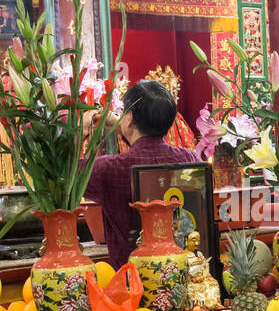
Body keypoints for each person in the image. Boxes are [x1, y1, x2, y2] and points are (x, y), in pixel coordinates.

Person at [83, 78, 198, 269]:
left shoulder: (109, 169)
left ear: (128, 118)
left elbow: (66, 174)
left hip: (132, 281)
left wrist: (81, 130)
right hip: (181, 272)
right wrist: (126, 125)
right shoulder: (190, 159)